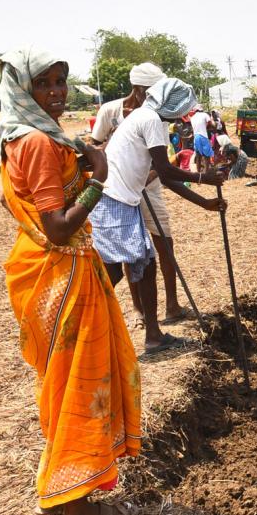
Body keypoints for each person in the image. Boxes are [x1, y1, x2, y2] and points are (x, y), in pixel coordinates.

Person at [0, 47, 140, 515]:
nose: (57, 92)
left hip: (48, 273)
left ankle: (59, 487)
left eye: (61, 81)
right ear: (24, 89)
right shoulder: (37, 142)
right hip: (61, 273)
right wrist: (97, 181)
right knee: (81, 382)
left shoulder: (20, 136)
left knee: (63, 383)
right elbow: (57, 229)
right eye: (45, 84)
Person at [90, 78, 226, 355]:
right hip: (115, 199)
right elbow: (165, 170)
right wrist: (203, 177)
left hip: (121, 199)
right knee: (112, 273)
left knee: (144, 265)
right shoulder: (150, 119)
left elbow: (160, 174)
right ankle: (87, 329)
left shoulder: (144, 117)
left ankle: (153, 336)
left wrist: (204, 203)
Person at [90, 62, 187, 326]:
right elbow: (95, 146)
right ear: (138, 89)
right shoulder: (111, 111)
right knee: (130, 255)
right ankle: (138, 311)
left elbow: (161, 165)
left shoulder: (157, 116)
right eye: (151, 90)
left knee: (162, 245)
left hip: (149, 186)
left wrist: (149, 178)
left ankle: (172, 305)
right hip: (121, 191)